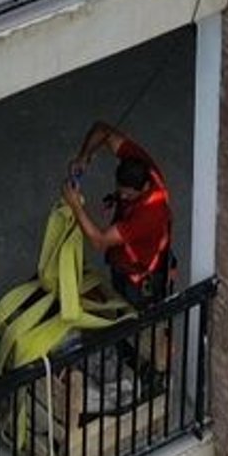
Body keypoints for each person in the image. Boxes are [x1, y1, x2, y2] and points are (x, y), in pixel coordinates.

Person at [64, 124, 176, 314]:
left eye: (128, 196)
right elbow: (103, 131)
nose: (122, 198)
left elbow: (99, 241)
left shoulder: (149, 215)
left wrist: (76, 206)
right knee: (118, 304)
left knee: (137, 317)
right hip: (130, 259)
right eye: (120, 192)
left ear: (145, 187)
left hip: (138, 278)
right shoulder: (141, 164)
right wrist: (83, 157)